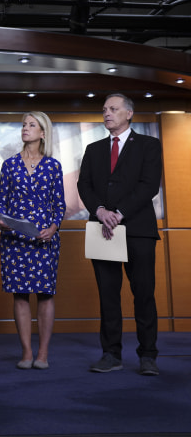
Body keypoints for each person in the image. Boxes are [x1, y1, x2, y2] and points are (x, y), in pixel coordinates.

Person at [77, 94, 163, 376]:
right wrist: (100, 210)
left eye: (113, 109)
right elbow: (84, 185)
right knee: (108, 295)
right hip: (102, 229)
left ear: (129, 114)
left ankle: (148, 355)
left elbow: (149, 185)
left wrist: (120, 212)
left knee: (144, 294)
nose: (107, 114)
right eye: (104, 110)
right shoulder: (93, 148)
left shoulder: (149, 145)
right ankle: (111, 354)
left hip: (138, 229)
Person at [0, 111, 65, 370]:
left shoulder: (53, 166)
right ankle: (26, 352)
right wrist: (1, 220)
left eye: (31, 125)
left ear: (42, 133)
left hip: (44, 239)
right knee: (20, 295)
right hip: (14, 238)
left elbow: (59, 204)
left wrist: (53, 227)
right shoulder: (9, 165)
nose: (25, 128)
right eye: (24, 124)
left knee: (45, 294)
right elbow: (2, 201)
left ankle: (43, 353)